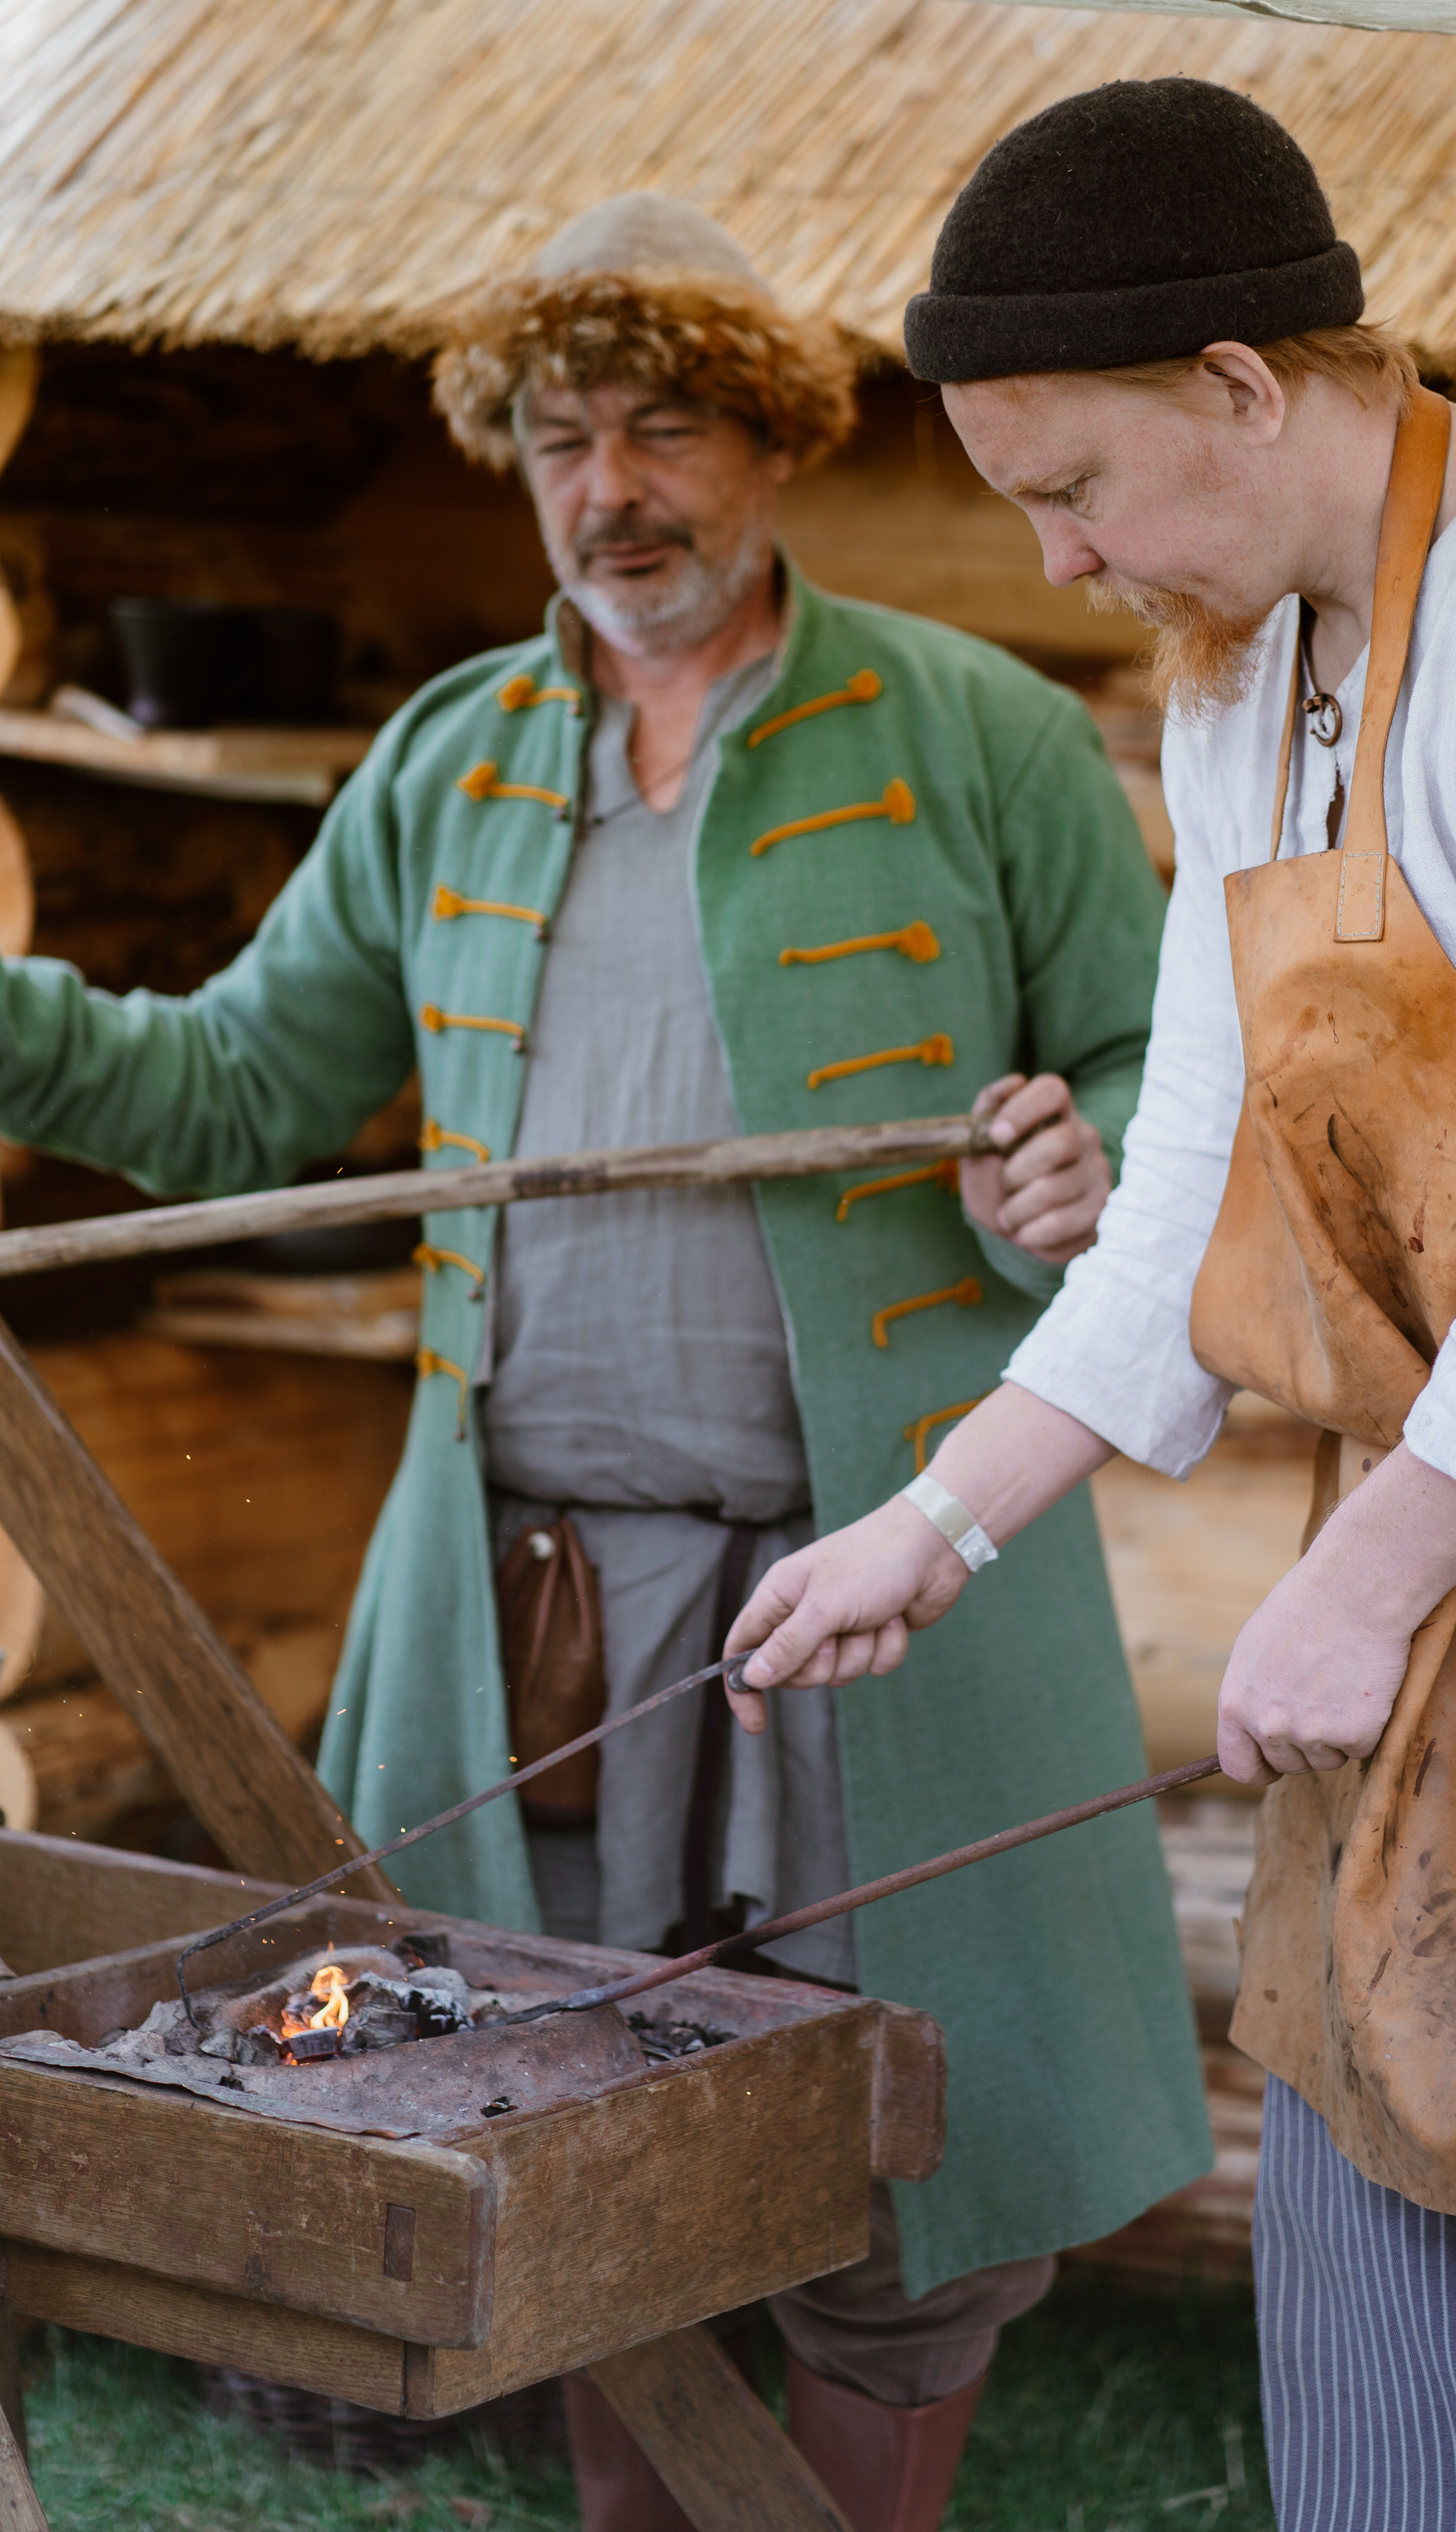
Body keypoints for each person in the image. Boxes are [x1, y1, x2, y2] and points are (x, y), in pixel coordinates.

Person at [0, 193, 1209, 2531]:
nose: (610, 487)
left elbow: (1173, 1069)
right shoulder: (460, 756)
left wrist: (1102, 1157)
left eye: (662, 425)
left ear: (766, 442)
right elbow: (240, 1093)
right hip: (544, 1607)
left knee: (891, 2163)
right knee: (550, 2144)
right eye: (561, 437)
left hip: (891, 1593)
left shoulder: (975, 733)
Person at [725, 79, 1456, 2531]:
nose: (1058, 552)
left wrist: (1367, 1573)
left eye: (1072, 483)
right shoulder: (1245, 658)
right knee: (1380, 2250)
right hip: (1435, 1577)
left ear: (1240, 380)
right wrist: (941, 1524)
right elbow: (1190, 1178)